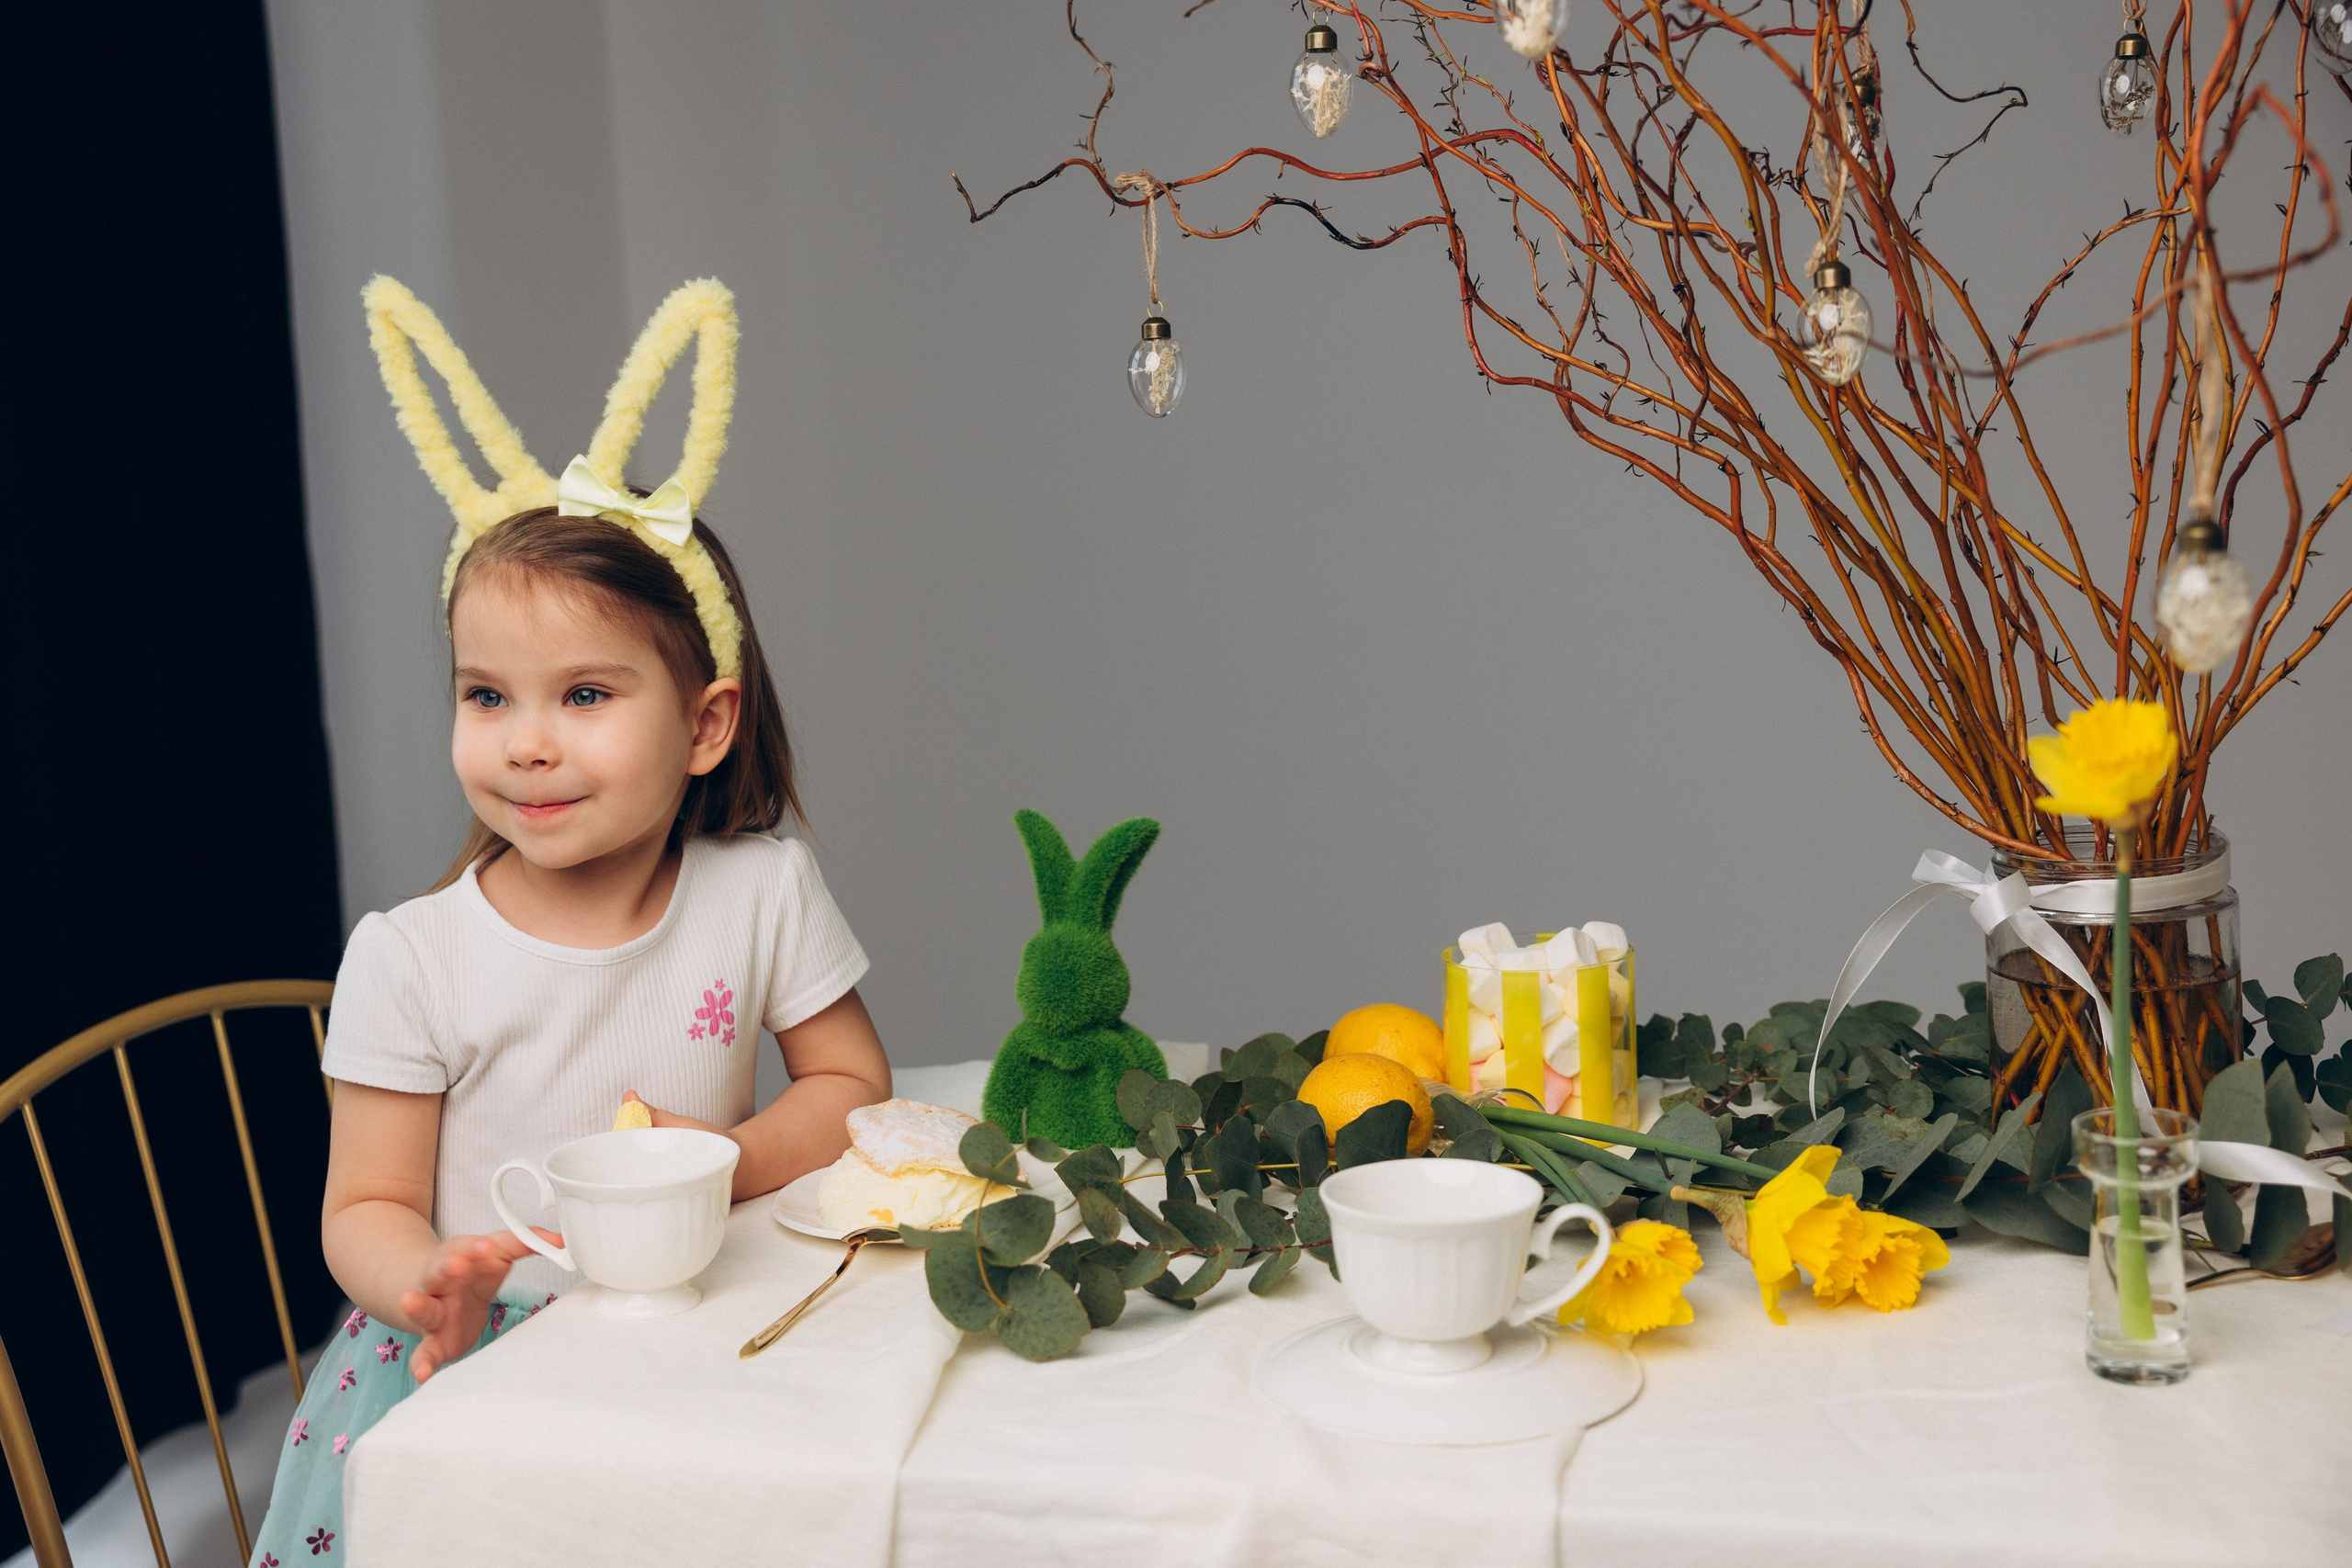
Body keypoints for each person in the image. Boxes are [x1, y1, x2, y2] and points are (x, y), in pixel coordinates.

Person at [245, 277, 889, 1566]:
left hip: (681, 1339)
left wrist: (729, 1159)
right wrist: (429, 1281)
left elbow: (849, 1084)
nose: (525, 744)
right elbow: (362, 1202)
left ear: (705, 723)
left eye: (584, 694)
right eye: (487, 696)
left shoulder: (758, 890)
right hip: (468, 1375)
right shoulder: (414, 957)